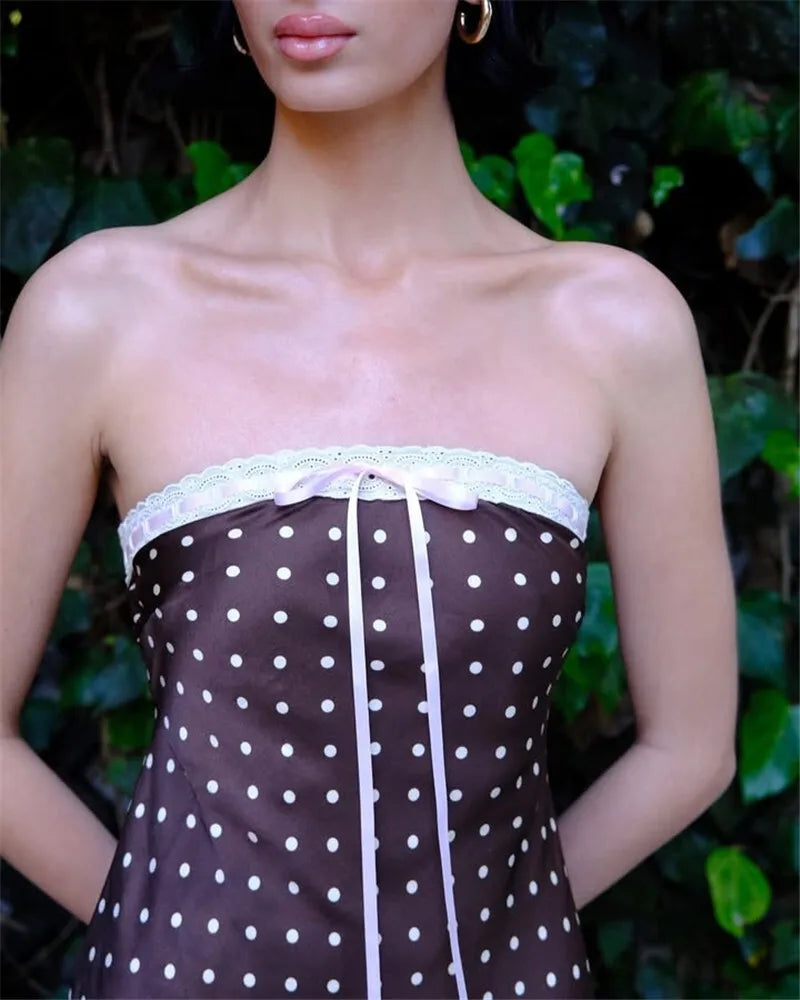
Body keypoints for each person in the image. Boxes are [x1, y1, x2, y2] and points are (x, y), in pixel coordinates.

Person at [0, 1, 739, 998]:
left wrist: (482, 938)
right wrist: (172, 936)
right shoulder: (96, 310)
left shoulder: (611, 322)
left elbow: (688, 746)